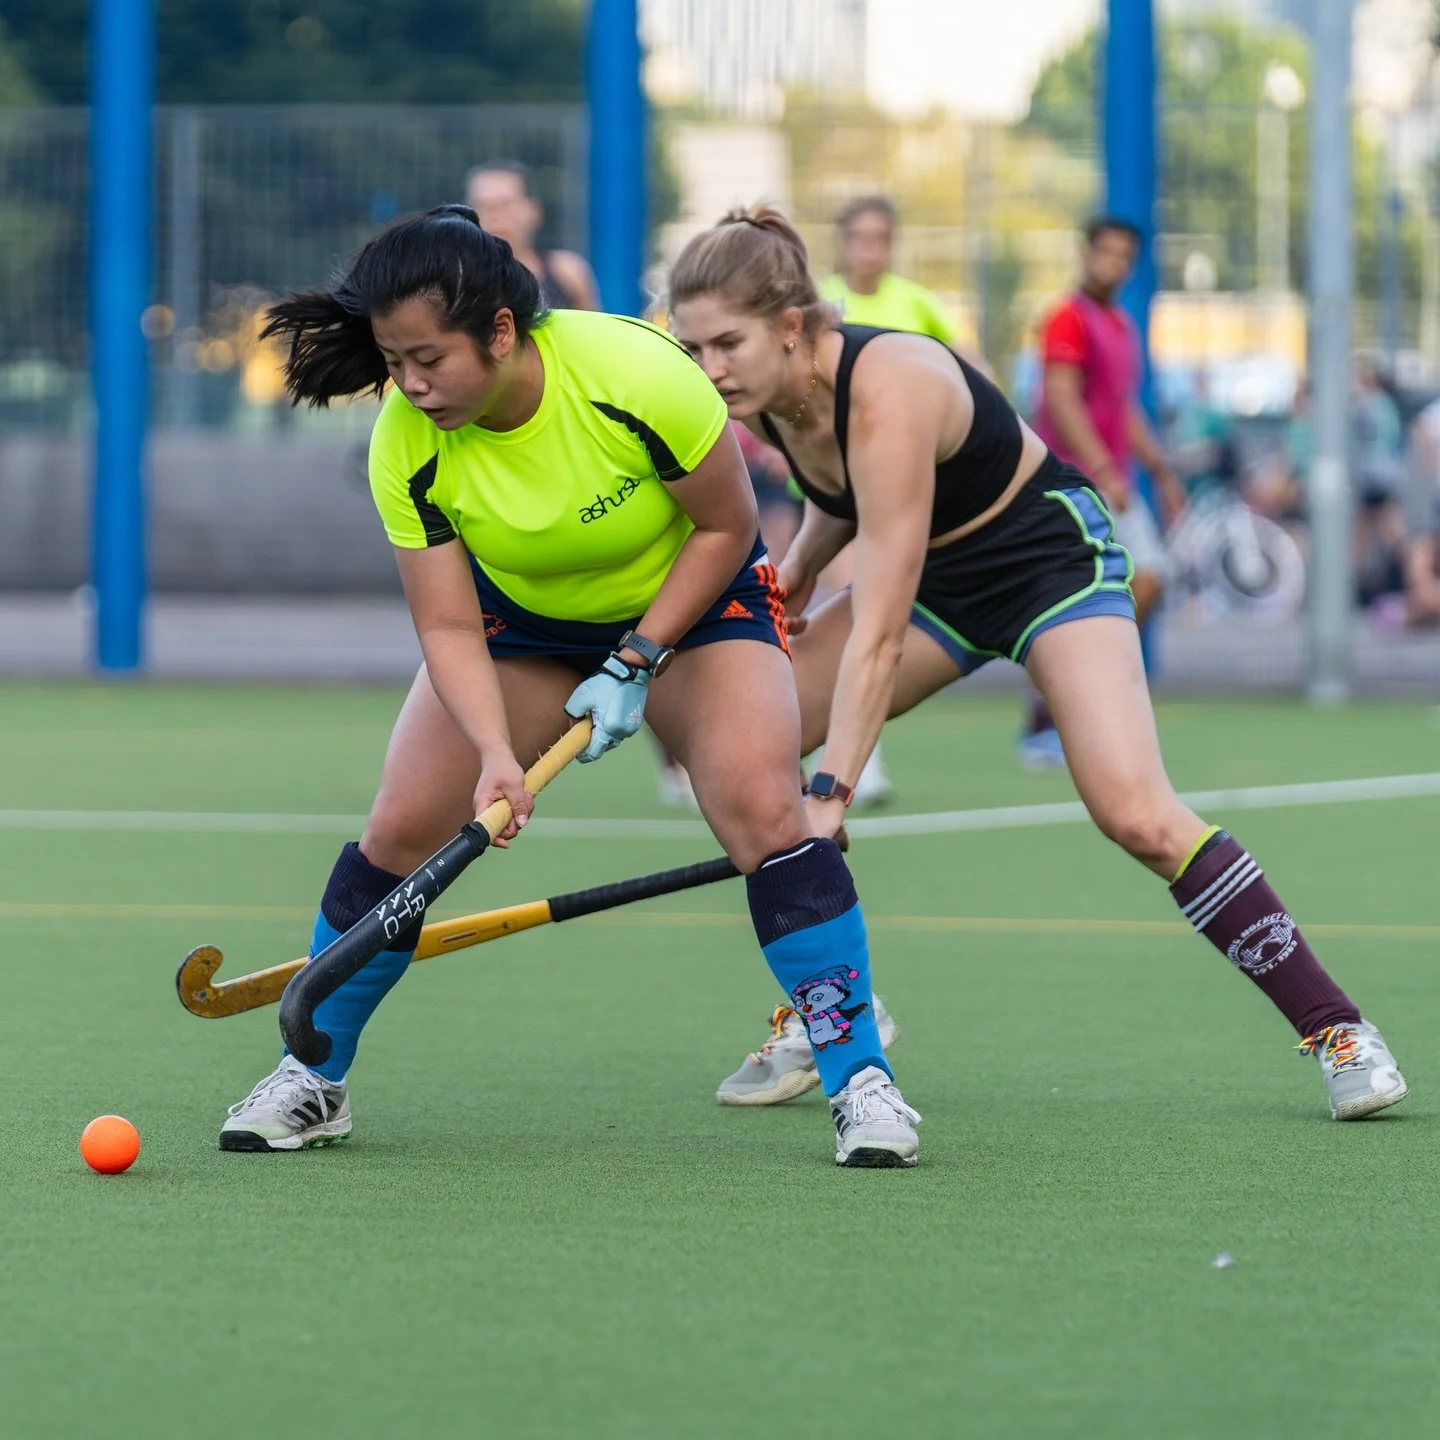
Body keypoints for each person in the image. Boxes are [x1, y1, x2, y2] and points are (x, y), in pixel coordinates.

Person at [667, 205, 1407, 1123]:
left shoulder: (886, 385)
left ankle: (1340, 1032)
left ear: (790, 324)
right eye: (693, 349)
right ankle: (835, 1003)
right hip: (938, 574)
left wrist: (834, 790)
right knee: (741, 754)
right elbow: (841, 497)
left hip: (1044, 564)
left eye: (724, 345)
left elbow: (882, 633)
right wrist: (797, 580)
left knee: (1135, 813)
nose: (708, 370)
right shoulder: (774, 394)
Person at [223, 205, 920, 1169]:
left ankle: (862, 1080)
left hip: (698, 601)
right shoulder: (407, 446)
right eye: (395, 360)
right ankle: (313, 1077)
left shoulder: (636, 376)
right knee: (396, 829)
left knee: (767, 813)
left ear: (501, 333)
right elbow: (447, 623)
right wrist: (497, 757)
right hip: (520, 631)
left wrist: (635, 659)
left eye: (430, 357)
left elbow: (725, 529)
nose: (412, 384)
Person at [1025, 215, 1187, 770]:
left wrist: (1160, 472)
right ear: (1085, 253)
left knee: (1148, 583)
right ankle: (1052, 716)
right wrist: (1099, 467)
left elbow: (1123, 406)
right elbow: (1061, 398)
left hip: (1112, 483)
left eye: (1124, 256)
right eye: (1106, 253)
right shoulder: (1067, 318)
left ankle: (1075, 702)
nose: (1113, 264)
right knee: (1096, 592)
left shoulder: (1119, 323)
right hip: (1072, 484)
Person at [819, 195, 959, 349]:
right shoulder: (820, 298)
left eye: (879, 238)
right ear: (843, 241)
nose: (869, 248)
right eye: (860, 237)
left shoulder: (917, 299)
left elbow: (961, 352)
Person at [466, 160, 600, 311]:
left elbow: (595, 331)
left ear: (534, 210)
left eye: (505, 204)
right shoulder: (453, 280)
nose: (494, 215)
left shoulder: (567, 274)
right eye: (484, 206)